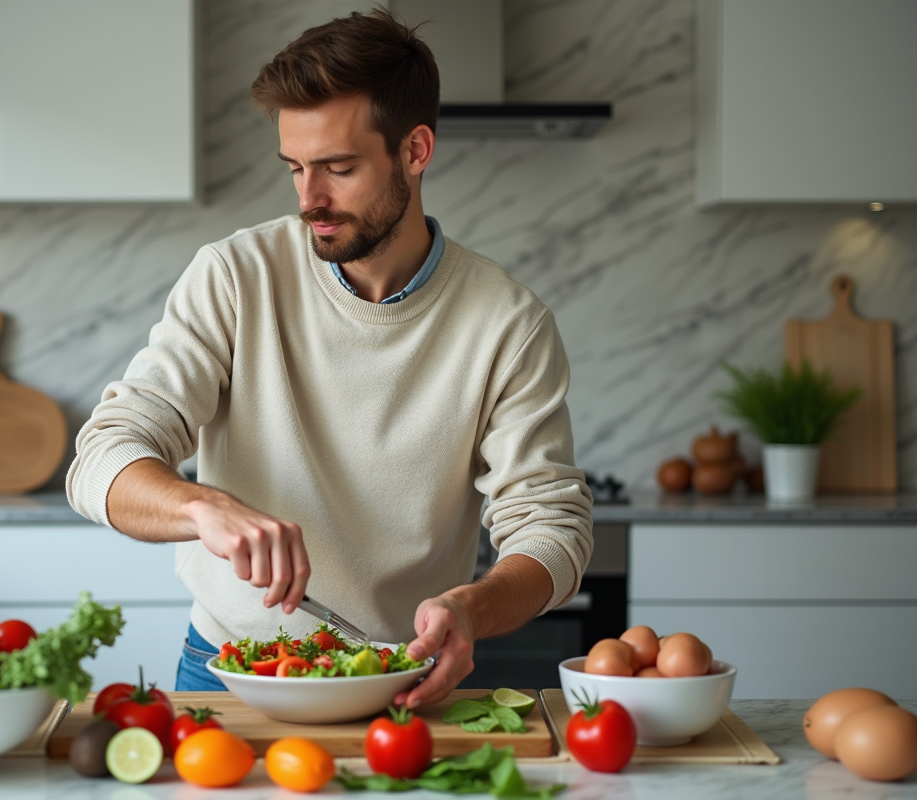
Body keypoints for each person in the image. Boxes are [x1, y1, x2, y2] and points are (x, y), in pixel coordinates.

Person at [67, 9, 592, 709]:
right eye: (295, 168)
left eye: (339, 169)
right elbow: (102, 457)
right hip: (228, 668)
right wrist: (203, 507)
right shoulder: (236, 276)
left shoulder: (507, 324)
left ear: (415, 150)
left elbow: (552, 529)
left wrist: (473, 606)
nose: (309, 199)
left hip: (397, 676)